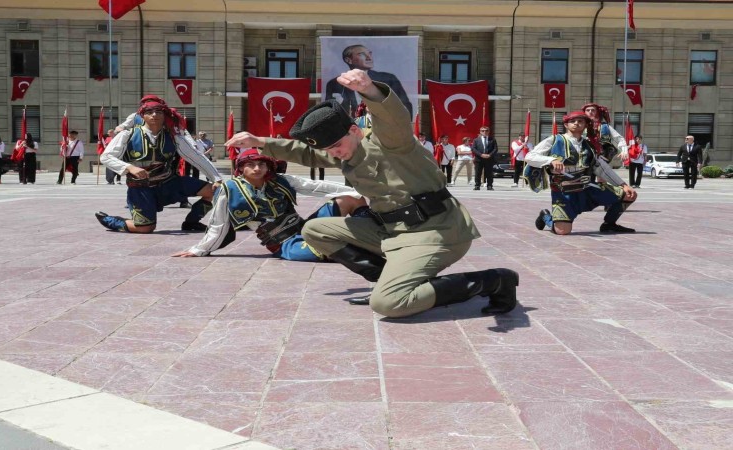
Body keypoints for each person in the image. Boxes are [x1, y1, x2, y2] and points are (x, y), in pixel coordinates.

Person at [226, 68, 519, 318]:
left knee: (389, 304)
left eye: (336, 145)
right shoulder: (344, 153)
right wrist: (260, 142)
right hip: (391, 231)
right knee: (315, 230)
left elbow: (394, 119)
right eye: (329, 149)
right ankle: (385, 279)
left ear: (354, 130)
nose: (334, 153)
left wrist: (370, 90)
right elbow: (307, 153)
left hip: (435, 232)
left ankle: (493, 281)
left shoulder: (390, 142)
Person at [172, 148, 368, 260]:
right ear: (241, 168)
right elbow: (218, 225)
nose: (257, 168)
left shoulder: (280, 179)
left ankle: (373, 233)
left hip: (306, 228)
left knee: (352, 199)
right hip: (285, 243)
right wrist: (198, 250)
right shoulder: (229, 189)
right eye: (251, 165)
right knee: (330, 252)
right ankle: (363, 246)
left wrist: (360, 190)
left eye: (262, 164)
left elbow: (315, 186)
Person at [95, 95, 222, 233]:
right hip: (141, 188)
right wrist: (129, 167)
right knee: (145, 228)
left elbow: (196, 157)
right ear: (142, 116)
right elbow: (106, 157)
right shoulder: (128, 135)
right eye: (149, 112)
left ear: (165, 115)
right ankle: (112, 221)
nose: (154, 115)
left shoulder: (174, 136)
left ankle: (191, 222)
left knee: (214, 191)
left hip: (169, 183)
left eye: (159, 112)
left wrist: (216, 178)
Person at [524, 110, 638, 235]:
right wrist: (551, 160)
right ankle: (546, 216)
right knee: (562, 231)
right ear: (566, 125)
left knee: (629, 194)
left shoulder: (589, 145)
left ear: (585, 125)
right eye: (572, 121)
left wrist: (623, 184)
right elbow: (530, 157)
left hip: (588, 189)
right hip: (564, 193)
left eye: (580, 121)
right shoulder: (554, 140)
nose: (576, 123)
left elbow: (601, 168)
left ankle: (609, 224)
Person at [325, 44, 413, 117]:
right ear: (349, 60)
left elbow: (405, 106)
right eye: (361, 54)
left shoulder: (388, 79)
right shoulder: (335, 84)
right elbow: (331, 111)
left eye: (369, 54)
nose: (369, 57)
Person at [471, 126, 497, 190]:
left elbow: (495, 149)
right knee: (478, 173)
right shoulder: (476, 140)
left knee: (489, 173)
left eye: (486, 130)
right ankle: (477, 185)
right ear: (480, 132)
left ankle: (489, 185)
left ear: (489, 131)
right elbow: (473, 149)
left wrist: (490, 155)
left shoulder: (492, 140)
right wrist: (481, 155)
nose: (484, 132)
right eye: (482, 131)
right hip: (479, 159)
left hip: (489, 159)